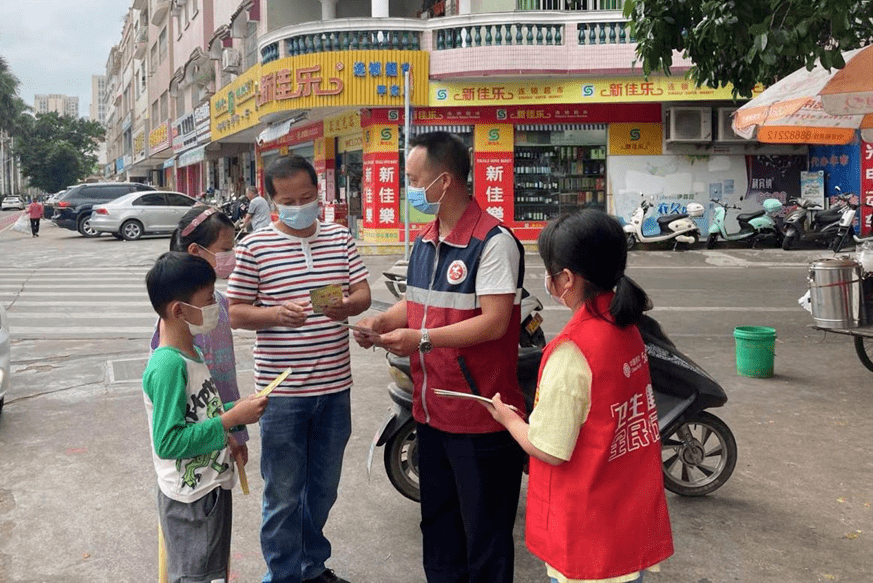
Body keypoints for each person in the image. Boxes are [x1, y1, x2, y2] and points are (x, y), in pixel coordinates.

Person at [354, 131, 526, 583]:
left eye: (413, 179)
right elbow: (416, 303)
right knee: (440, 532)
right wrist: (382, 323)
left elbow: (495, 321)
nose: (407, 189)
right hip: (431, 414)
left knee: (484, 538)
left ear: (444, 181)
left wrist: (423, 339)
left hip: (481, 416)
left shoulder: (492, 242)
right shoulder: (426, 238)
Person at [484, 210, 674, 583]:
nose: (548, 279)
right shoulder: (626, 327)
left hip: (588, 535)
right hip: (624, 518)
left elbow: (549, 447)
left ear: (566, 279)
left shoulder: (573, 351)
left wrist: (508, 418)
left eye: (550, 270)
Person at [226, 155, 371, 583]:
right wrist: (274, 315)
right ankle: (283, 576)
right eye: (289, 200)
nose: (300, 205)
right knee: (284, 494)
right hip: (282, 394)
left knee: (323, 489)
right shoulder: (254, 246)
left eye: (307, 197)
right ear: (272, 203)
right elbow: (234, 312)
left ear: (318, 193)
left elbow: (362, 292)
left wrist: (349, 305)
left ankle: (312, 567)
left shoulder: (340, 238)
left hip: (334, 388)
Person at [143, 251, 268, 583]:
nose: (217, 305)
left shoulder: (193, 351)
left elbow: (200, 413)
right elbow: (168, 442)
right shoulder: (169, 366)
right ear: (179, 310)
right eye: (209, 298)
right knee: (197, 576)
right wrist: (228, 421)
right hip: (191, 501)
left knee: (212, 573)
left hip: (210, 485)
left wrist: (230, 438)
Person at [150, 205, 250, 458]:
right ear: (195, 251)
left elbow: (224, 378)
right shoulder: (179, 323)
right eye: (225, 250)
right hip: (198, 441)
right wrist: (227, 424)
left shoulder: (218, 304)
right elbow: (170, 427)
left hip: (223, 422)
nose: (232, 255)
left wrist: (236, 428)